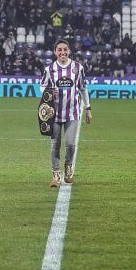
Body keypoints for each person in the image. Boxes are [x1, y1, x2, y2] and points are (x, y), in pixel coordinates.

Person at [40, 39, 92, 187]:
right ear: (55, 52)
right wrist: (49, 91)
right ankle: (56, 175)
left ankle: (68, 167)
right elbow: (41, 86)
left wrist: (88, 108)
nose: (62, 52)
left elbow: (83, 88)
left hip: (72, 113)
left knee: (70, 144)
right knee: (55, 145)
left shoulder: (77, 67)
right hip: (54, 113)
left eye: (65, 49)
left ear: (69, 51)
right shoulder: (49, 69)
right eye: (59, 50)